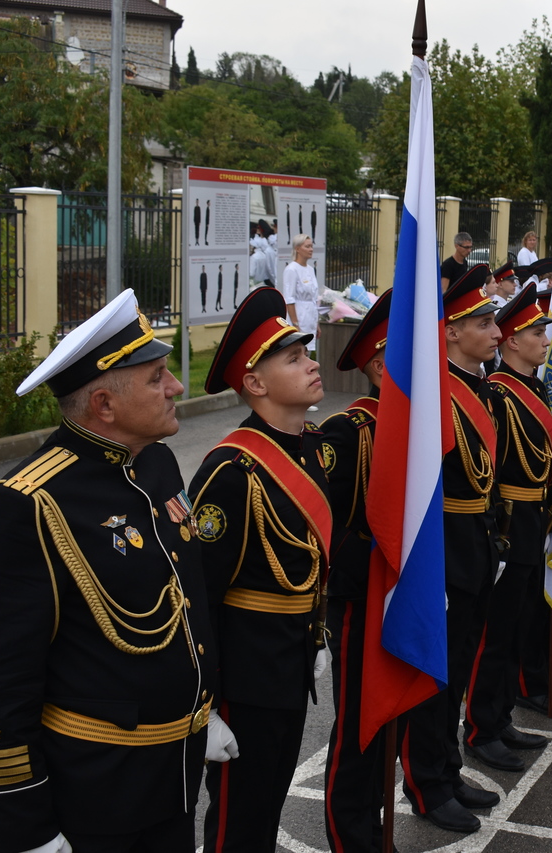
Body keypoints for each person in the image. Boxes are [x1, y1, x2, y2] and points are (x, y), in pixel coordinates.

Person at [0, 289, 217, 852]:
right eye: (157, 378)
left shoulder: (152, 460)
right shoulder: (25, 505)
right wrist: (24, 829)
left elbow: (185, 593)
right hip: (94, 801)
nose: (176, 387)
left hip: (175, 775)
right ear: (104, 405)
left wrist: (205, 705)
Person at [190, 287, 330, 853]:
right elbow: (199, 599)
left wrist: (314, 632)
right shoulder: (231, 471)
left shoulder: (311, 449)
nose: (313, 363)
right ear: (254, 383)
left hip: (289, 661)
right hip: (244, 681)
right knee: (238, 823)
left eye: (307, 353)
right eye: (293, 359)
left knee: (267, 810)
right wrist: (207, 708)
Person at [397, 263, 503, 835]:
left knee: (457, 669)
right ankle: (425, 783)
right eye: (483, 323)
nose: (496, 332)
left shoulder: (476, 389)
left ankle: (448, 766)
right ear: (451, 332)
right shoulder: (435, 395)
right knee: (433, 677)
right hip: (444, 546)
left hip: (475, 542)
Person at [462, 282, 552, 773]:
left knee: (516, 625)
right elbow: (491, 469)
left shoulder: (534, 386)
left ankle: (499, 717)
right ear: (514, 342)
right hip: (509, 520)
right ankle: (480, 727)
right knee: (494, 633)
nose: (546, 338)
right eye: (537, 331)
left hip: (532, 518)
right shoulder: (497, 394)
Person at [318, 290, 391, 853]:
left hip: (404, 594)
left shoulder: (418, 425)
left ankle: (377, 825)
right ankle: (352, 836)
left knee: (392, 719)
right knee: (358, 730)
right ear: (377, 365)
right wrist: (374, 565)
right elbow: (325, 525)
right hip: (362, 599)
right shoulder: (349, 432)